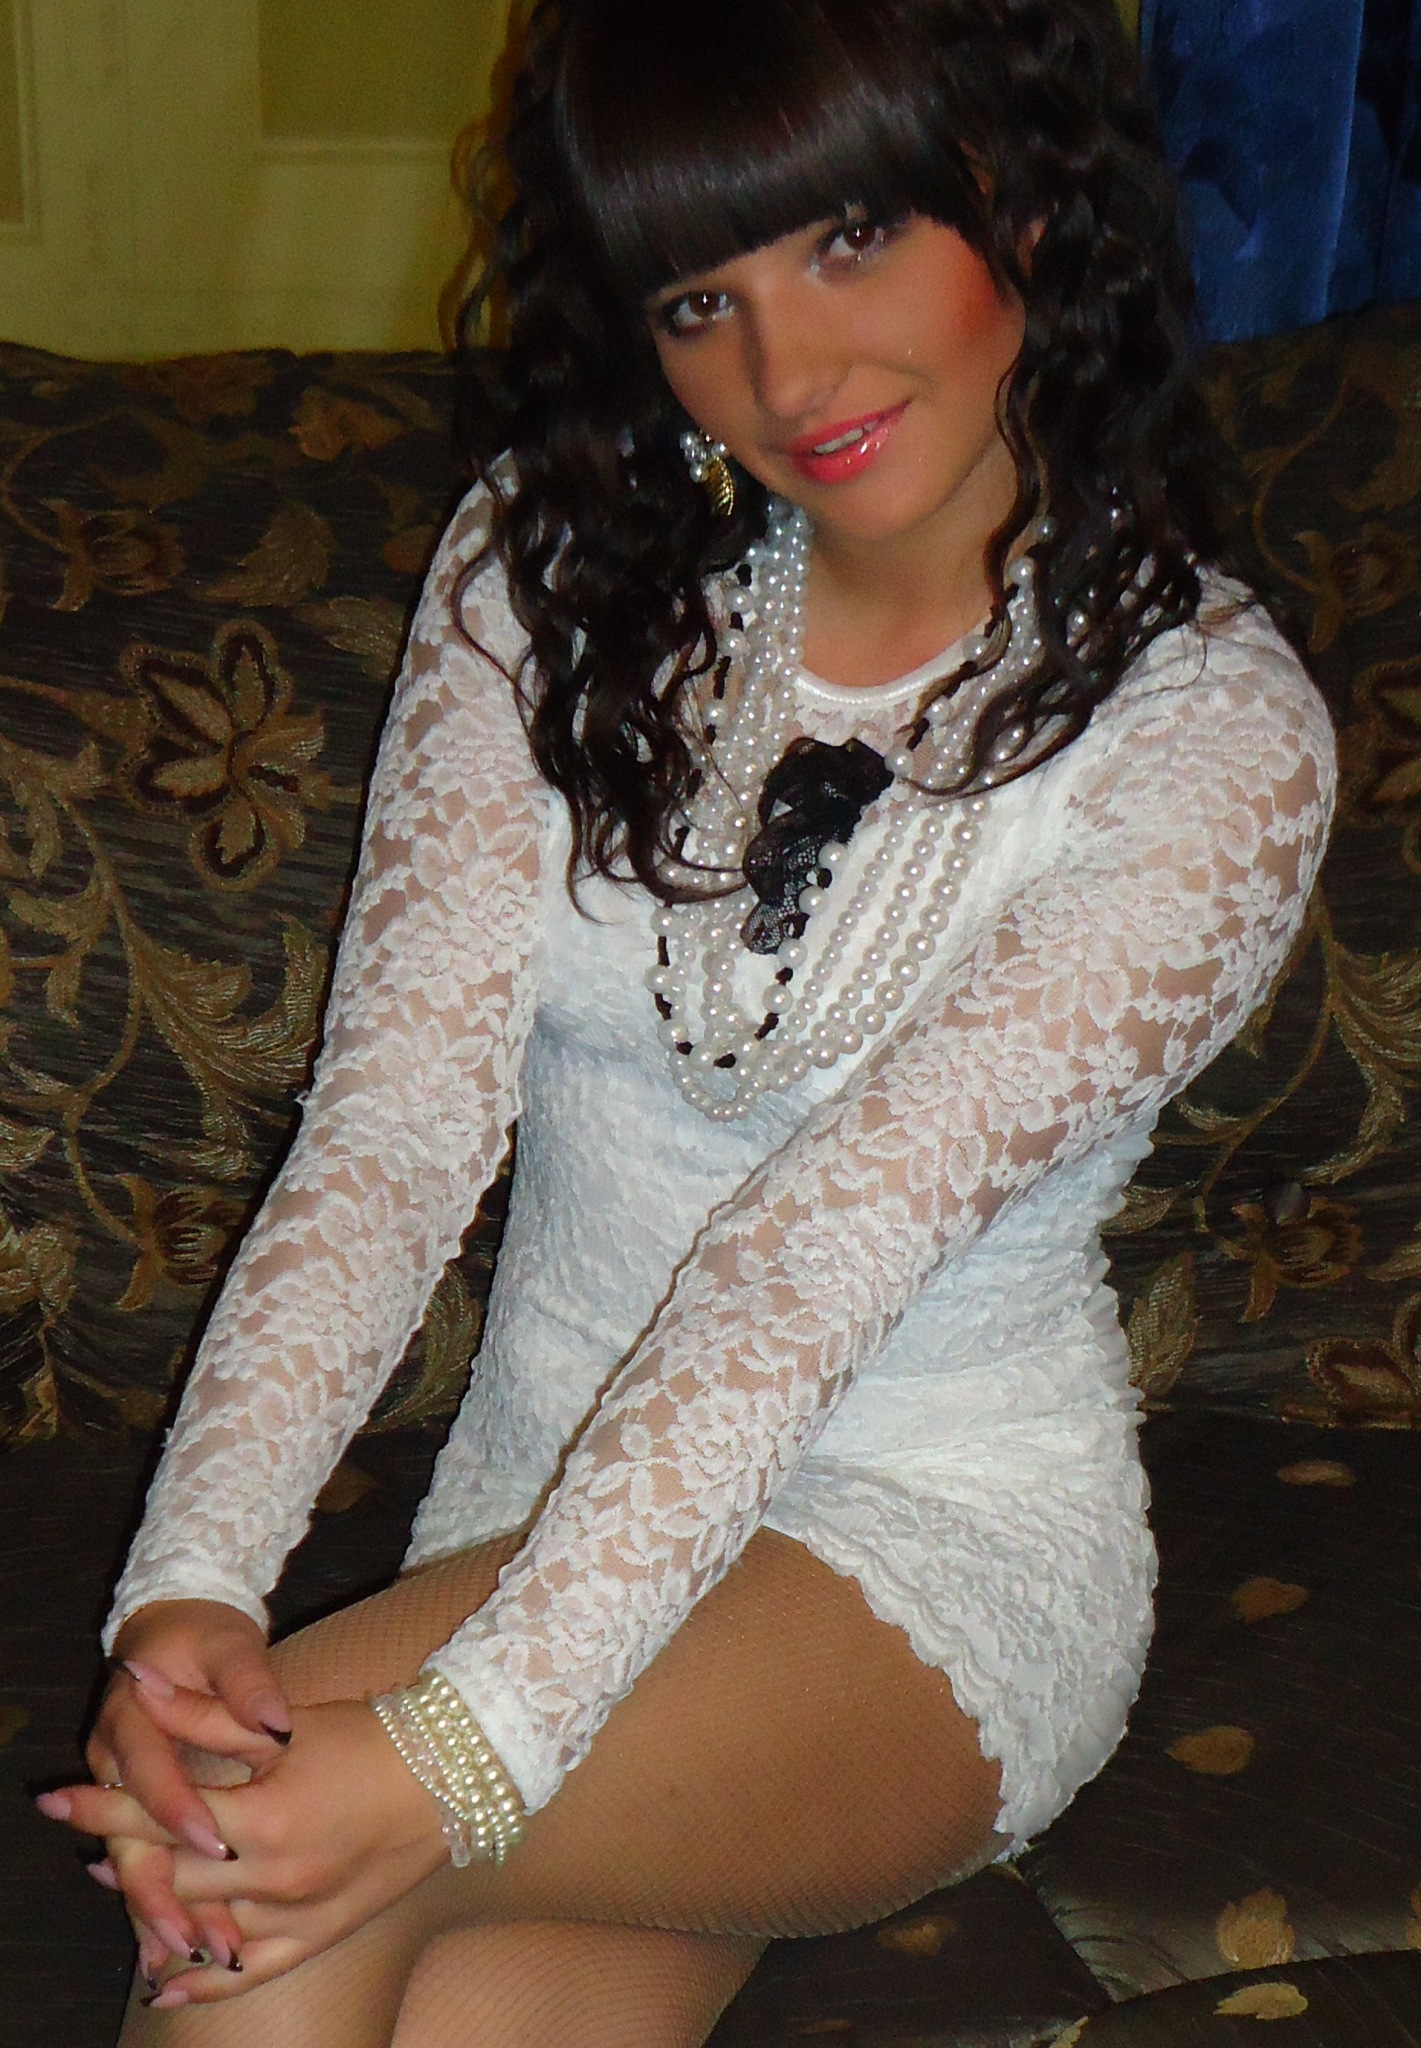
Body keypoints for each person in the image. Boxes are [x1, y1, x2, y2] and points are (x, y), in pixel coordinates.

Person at [37, 0, 1336, 2040]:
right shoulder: (544, 578)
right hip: (528, 1525)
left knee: (238, 1877)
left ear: (1021, 199)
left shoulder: (1214, 739)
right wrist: (190, 1583)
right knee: (322, 1939)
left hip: (918, 1564)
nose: (784, 374)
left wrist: (469, 1744)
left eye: (849, 239)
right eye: (697, 299)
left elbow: (812, 1262)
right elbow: (391, 1133)